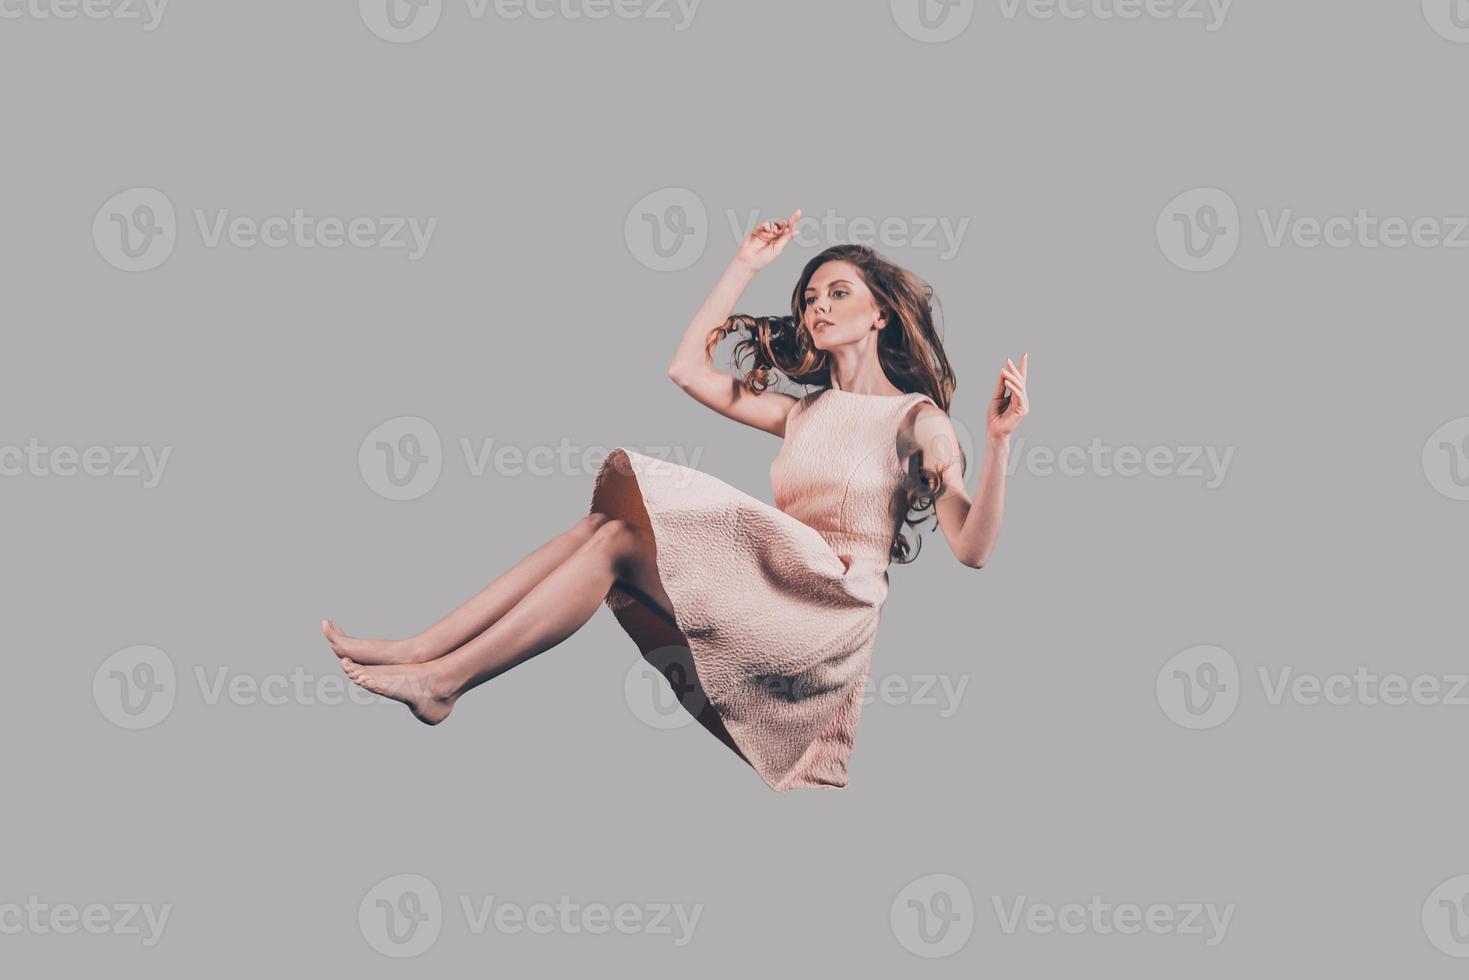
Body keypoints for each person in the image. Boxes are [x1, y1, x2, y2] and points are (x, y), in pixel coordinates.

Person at [323, 208, 1030, 791]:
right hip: (781, 580)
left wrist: (997, 441)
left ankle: (441, 676)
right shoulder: (801, 413)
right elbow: (684, 369)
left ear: (880, 313)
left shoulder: (917, 421)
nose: (817, 306)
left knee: (618, 540)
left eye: (837, 292)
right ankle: (427, 654)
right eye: (809, 296)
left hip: (827, 614)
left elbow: (972, 548)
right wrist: (745, 264)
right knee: (604, 532)